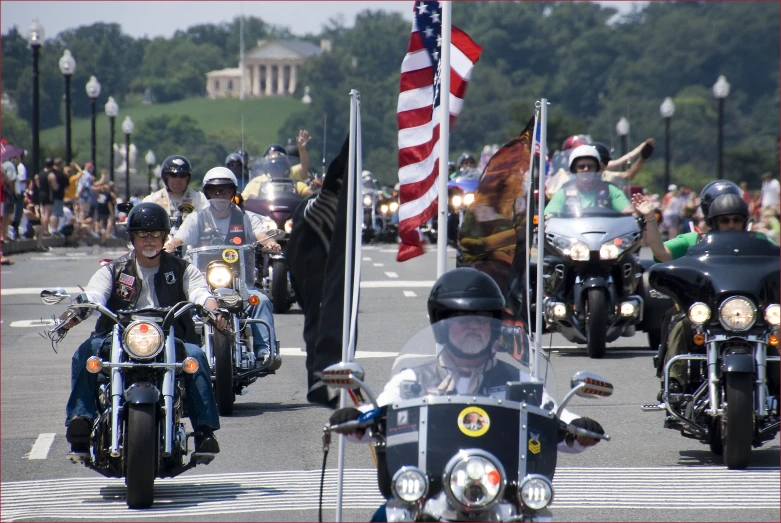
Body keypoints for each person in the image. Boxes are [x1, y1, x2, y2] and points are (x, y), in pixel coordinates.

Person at [329, 268, 605, 522]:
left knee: (539, 517)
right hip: (430, 495)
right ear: (443, 326)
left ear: (494, 327)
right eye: (462, 320)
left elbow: (554, 416)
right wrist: (358, 420)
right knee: (386, 516)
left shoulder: (520, 381)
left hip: (501, 496)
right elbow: (379, 415)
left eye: (483, 320)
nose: (474, 326)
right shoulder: (413, 380)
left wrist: (579, 427)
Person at [61, 202, 224, 455]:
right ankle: (80, 420)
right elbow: (94, 294)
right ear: (132, 237)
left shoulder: (182, 269)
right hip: (119, 338)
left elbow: (201, 293)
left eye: (156, 234)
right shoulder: (113, 270)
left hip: (170, 338)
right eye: (142, 234)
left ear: (165, 237)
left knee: (197, 356)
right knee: (86, 353)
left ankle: (204, 431)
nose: (149, 240)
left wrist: (213, 310)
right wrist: (76, 312)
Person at [633, 183, 776, 398]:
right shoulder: (695, 241)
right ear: (713, 221)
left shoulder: (760, 242)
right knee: (682, 325)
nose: (731, 225)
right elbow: (661, 253)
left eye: (736, 220)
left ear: (745, 222)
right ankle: (674, 384)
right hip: (709, 314)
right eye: (725, 220)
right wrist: (650, 217)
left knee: (776, 329)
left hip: (749, 313)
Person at [164, 167, 282, 367]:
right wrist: (167, 248)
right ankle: (179, 349)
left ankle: (265, 350)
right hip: (203, 282)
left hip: (240, 281)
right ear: (207, 193)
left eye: (225, 190)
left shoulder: (246, 217)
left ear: (233, 193)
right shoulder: (197, 218)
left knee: (260, 300)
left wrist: (269, 243)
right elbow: (178, 239)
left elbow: (261, 235)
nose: (220, 195)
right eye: (215, 191)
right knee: (181, 307)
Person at [544, 144, 634, 216]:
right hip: (572, 238)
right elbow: (549, 215)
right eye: (581, 166)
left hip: (606, 237)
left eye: (590, 166)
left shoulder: (610, 190)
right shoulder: (564, 192)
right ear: (574, 169)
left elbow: (628, 212)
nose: (586, 169)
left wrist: (636, 212)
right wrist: (548, 219)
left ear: (597, 169)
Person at [143, 155, 208, 217]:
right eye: (173, 175)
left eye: (182, 175)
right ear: (166, 177)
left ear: (188, 178)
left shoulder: (199, 199)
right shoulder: (151, 201)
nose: (178, 179)